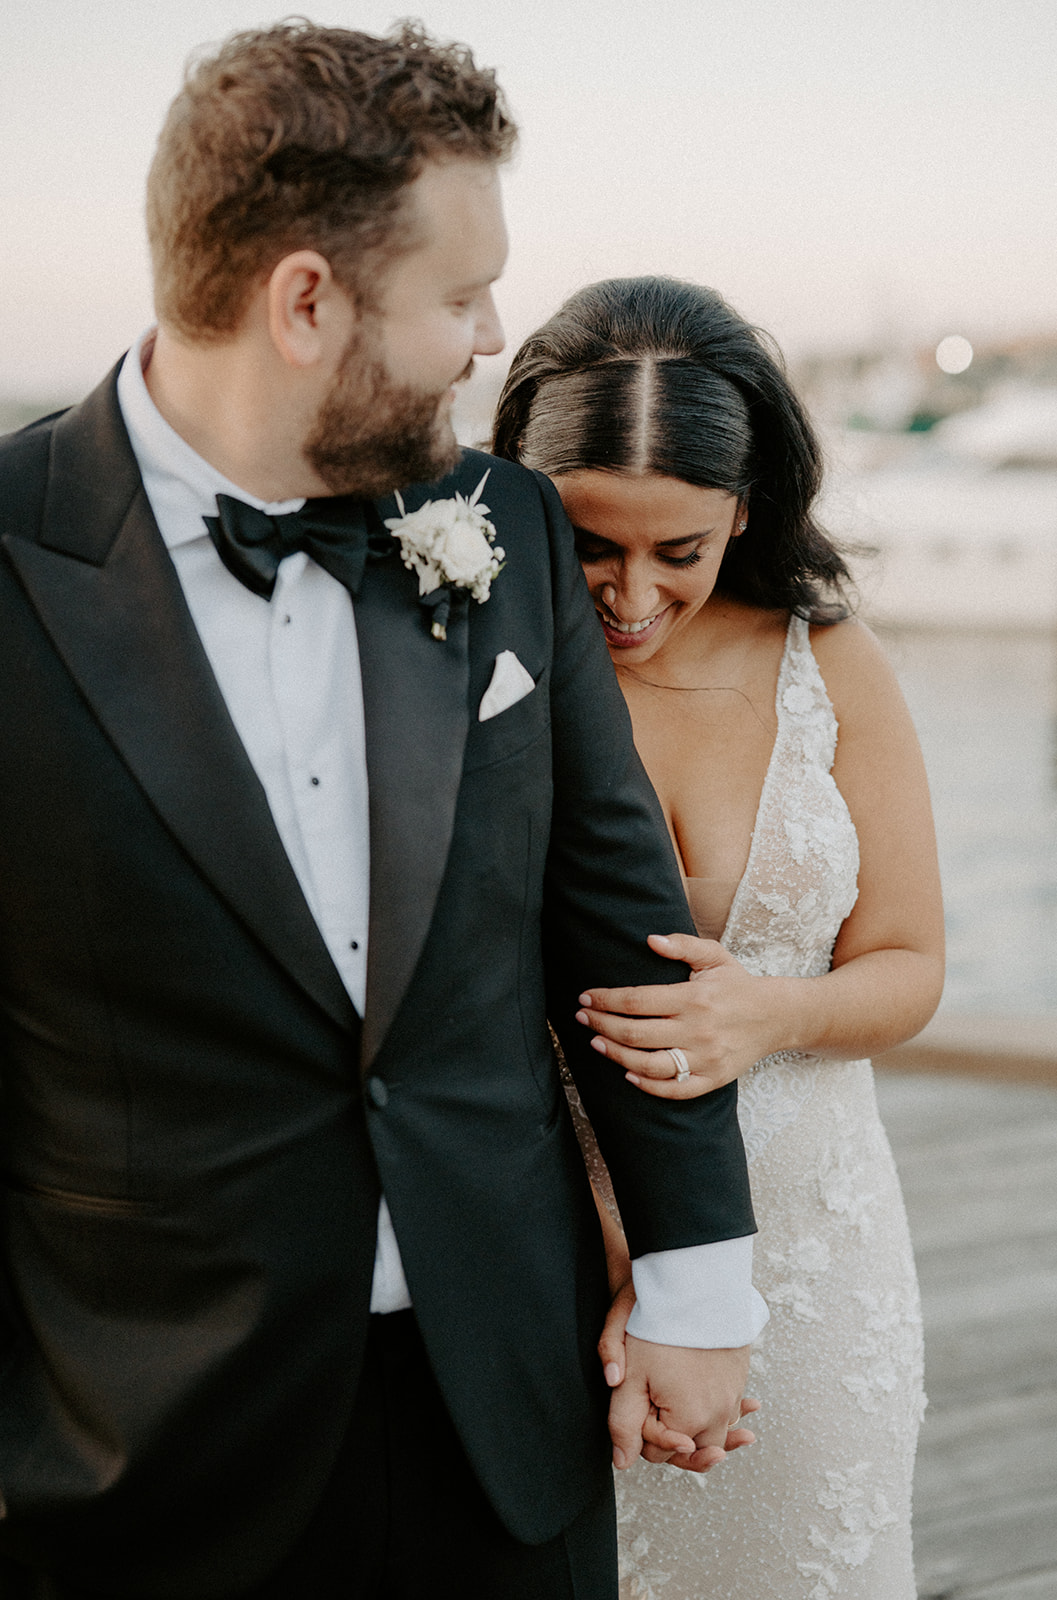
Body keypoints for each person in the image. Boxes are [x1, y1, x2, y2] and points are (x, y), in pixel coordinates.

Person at [0, 31, 769, 1600]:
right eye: (459, 298)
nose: (491, 340)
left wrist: (696, 1283)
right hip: (138, 1445)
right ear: (306, 303)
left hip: (507, 1405)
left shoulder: (506, 531)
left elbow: (614, 914)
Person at [492, 275, 944, 1598]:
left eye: (677, 552)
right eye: (591, 543)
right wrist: (614, 1241)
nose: (630, 596)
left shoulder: (828, 658)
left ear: (745, 512)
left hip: (816, 1249)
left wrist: (772, 1012)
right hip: (559, 1252)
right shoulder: (471, 670)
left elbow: (908, 963)